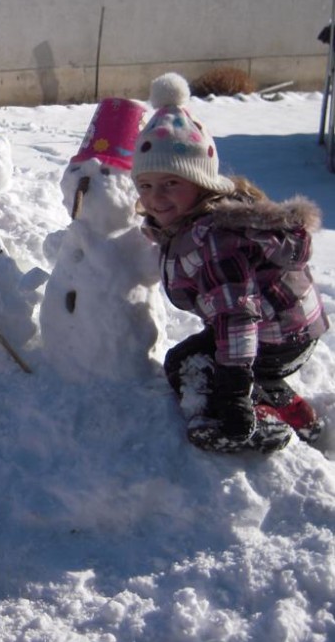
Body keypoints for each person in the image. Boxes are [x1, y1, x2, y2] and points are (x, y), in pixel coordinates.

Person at [131, 72, 328, 454]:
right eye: (146, 185)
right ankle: (300, 414)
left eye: (172, 183)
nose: (156, 198)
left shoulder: (215, 240)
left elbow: (236, 318)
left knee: (190, 365)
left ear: (201, 182)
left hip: (276, 336)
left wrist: (233, 389)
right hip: (287, 329)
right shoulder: (191, 225)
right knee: (194, 360)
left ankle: (259, 425)